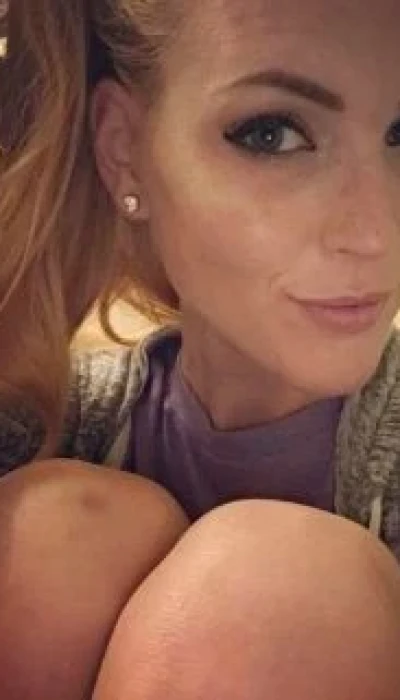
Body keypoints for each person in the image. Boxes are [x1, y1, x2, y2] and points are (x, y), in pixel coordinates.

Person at [0, 0, 400, 698]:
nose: (377, 232)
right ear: (123, 150)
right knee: (58, 531)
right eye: (273, 134)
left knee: (275, 588)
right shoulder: (58, 422)